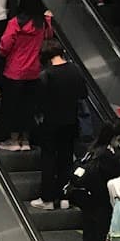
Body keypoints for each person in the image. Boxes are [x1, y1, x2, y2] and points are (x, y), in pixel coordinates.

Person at [0, 0, 51, 151]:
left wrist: (2, 54)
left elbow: (5, 45)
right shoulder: (43, 23)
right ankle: (25, 141)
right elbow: (49, 35)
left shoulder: (15, 23)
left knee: (12, 106)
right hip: (33, 71)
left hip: (14, 71)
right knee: (28, 107)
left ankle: (13, 141)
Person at [32, 45, 86, 210]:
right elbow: (83, 94)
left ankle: (47, 198)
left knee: (48, 159)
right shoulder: (75, 69)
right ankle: (64, 198)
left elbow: (38, 102)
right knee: (66, 159)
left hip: (51, 123)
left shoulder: (46, 75)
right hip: (71, 122)